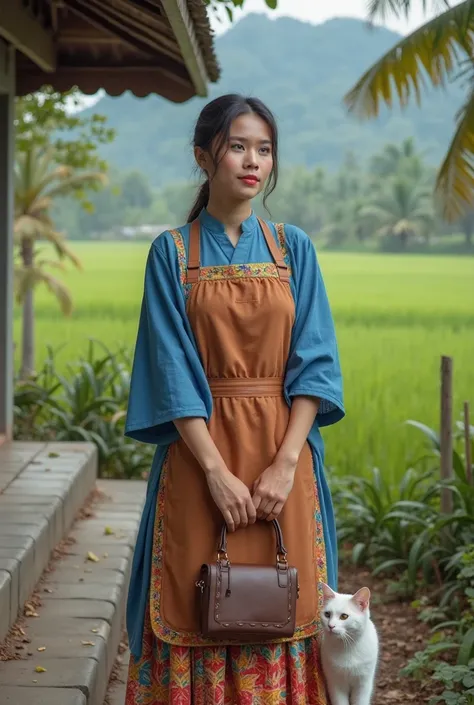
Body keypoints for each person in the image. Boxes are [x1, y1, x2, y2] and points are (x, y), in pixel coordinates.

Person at [124, 93, 344, 704]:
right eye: (238, 146)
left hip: (285, 458)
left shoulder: (293, 248)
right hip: (199, 461)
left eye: (265, 149)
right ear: (205, 156)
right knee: (195, 605)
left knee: (286, 609)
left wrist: (285, 462)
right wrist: (218, 473)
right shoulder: (170, 252)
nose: (253, 161)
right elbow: (169, 371)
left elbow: (315, 363)